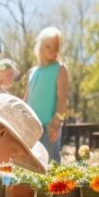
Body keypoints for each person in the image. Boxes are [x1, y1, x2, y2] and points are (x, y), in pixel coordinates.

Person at [24, 27, 69, 163]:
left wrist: (56, 124)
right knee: (29, 165)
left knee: (51, 164)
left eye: (56, 47)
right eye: (48, 46)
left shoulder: (60, 69)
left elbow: (62, 101)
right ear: (40, 46)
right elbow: (26, 99)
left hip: (48, 127)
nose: (52, 50)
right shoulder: (32, 71)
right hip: (30, 126)